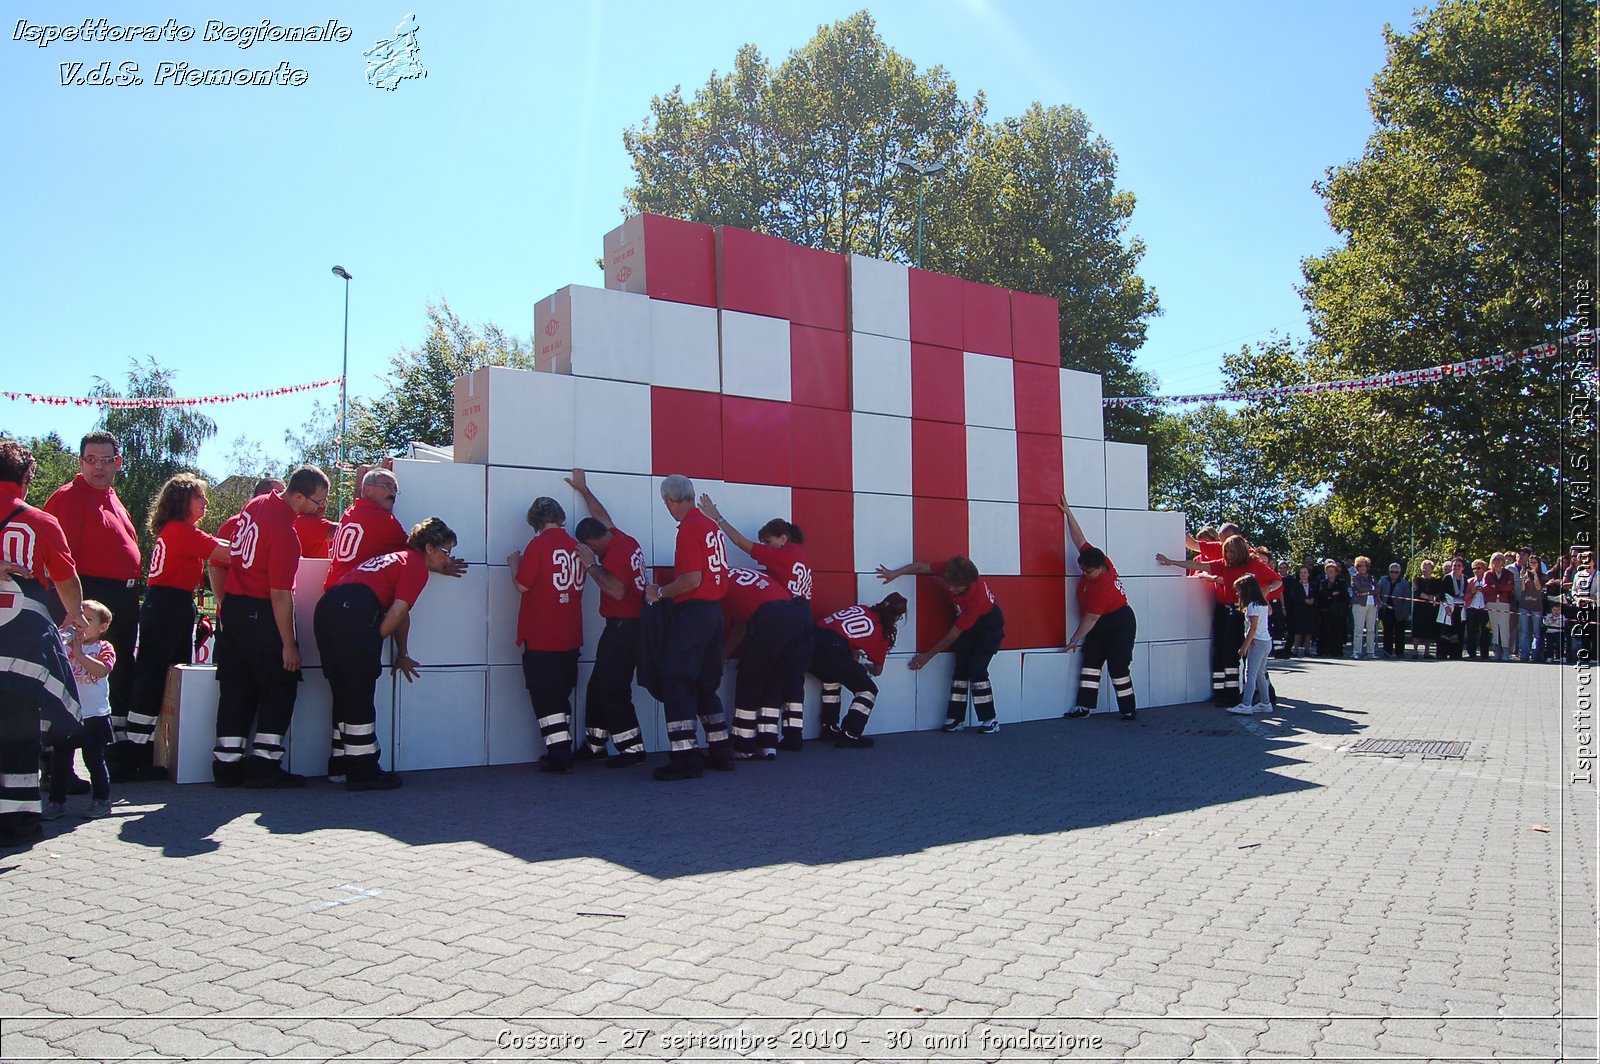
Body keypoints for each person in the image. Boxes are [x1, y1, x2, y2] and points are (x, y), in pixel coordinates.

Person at [316, 517, 459, 790]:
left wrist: (402, 653)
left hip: (328, 609)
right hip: (353, 613)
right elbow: (396, 612)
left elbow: (401, 615)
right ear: (429, 548)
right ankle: (363, 771)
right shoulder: (416, 567)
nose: (447, 559)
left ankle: (340, 765)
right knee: (359, 692)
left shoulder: (396, 558)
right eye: (445, 551)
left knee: (344, 691)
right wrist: (371, 641)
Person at [212, 466, 331, 788]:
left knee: (236, 686)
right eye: (317, 502)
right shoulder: (285, 536)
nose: (320, 508)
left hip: (235, 605)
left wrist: (226, 604)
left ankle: (226, 763)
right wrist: (289, 644)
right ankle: (265, 762)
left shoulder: (257, 503)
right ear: (296, 496)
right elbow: (280, 595)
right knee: (281, 682)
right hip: (260, 609)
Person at [0, 439, 88, 847]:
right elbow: (66, 582)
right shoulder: (40, 521)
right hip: (20, 644)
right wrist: (78, 617)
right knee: (19, 731)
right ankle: (17, 823)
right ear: (25, 478)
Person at [118, 474, 231, 781]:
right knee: (153, 675)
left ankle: (148, 749)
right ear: (183, 501)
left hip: (173, 605)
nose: (206, 503)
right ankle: (134, 751)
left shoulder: (180, 531)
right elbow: (226, 553)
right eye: (200, 497)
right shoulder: (180, 531)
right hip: (167, 605)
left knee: (167, 674)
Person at [44, 431, 141, 754]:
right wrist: (75, 613)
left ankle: (110, 753)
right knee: (75, 675)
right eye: (91, 460)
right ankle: (60, 766)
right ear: (80, 462)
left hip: (121, 599)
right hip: (89, 598)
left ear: (118, 463)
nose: (98, 467)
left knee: (115, 673)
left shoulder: (113, 496)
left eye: (106, 460)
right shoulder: (68, 498)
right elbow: (59, 563)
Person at [699, 494, 813, 741]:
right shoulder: (799, 555)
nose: (765, 546)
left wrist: (716, 518)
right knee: (791, 678)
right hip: (803, 617)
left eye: (768, 541)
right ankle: (792, 736)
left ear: (783, 539)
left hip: (781, 614)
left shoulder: (781, 554)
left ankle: (747, 739)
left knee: (759, 675)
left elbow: (741, 542)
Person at [645, 474, 736, 781]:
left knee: (677, 679)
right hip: (715, 613)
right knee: (705, 684)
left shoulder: (689, 528)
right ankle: (721, 750)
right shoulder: (710, 525)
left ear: (671, 500)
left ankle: (685, 758)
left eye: (666, 503)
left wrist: (657, 593)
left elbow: (690, 580)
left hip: (694, 613)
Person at [566, 470, 648, 767]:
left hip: (625, 627)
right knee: (599, 684)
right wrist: (584, 491)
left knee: (613, 686)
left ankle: (632, 749)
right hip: (624, 626)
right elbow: (603, 515)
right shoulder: (621, 538)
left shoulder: (612, 554)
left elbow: (616, 590)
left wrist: (590, 566)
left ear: (591, 542)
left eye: (589, 547)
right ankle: (595, 744)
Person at [876, 555, 1006, 733]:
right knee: (960, 670)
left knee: (977, 671)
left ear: (967, 584)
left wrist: (926, 656)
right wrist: (895, 573)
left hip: (988, 627)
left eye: (955, 586)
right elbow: (922, 567)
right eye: (949, 583)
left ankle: (990, 720)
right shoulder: (952, 568)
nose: (950, 588)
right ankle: (955, 719)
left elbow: (953, 635)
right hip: (968, 626)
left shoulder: (976, 601)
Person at [508, 497, 588, 775]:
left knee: (546, 696)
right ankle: (562, 747)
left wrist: (513, 565)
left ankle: (559, 754)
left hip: (543, 633)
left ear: (536, 521)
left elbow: (522, 585)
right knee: (561, 694)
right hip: (571, 632)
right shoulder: (577, 546)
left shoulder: (539, 544)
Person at [1157, 534, 1281, 703]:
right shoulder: (1223, 564)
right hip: (1227, 611)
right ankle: (1227, 694)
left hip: (1245, 613)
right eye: (1226, 551)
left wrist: (1266, 591)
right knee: (1225, 652)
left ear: (1239, 551)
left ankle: (1255, 696)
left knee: (1248, 656)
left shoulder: (1255, 563)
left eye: (1231, 552)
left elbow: (1277, 580)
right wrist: (1171, 561)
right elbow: (1198, 565)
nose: (1228, 555)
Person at [719, 567, 814, 758]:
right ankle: (768, 744)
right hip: (795, 615)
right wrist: (723, 655)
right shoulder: (737, 574)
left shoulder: (713, 582)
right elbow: (742, 624)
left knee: (749, 680)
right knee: (774, 681)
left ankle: (743, 745)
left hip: (769, 617)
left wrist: (717, 657)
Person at [1061, 494, 1138, 721]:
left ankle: (1128, 709)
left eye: (1088, 571)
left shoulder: (1102, 586)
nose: (1084, 574)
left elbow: (1091, 619)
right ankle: (1084, 707)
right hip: (1101, 622)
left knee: (1118, 667)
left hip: (1119, 622)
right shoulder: (1098, 559)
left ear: (1101, 568)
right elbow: (1079, 539)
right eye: (1083, 570)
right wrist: (1068, 512)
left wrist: (1074, 640)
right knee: (1091, 662)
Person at [45, 600, 116, 819]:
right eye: (79, 617)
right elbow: (48, 643)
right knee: (61, 760)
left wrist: (80, 654)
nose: (81, 624)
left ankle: (101, 799)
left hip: (95, 715)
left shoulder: (104, 647)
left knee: (94, 759)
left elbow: (102, 670)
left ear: (102, 628)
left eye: (89, 620)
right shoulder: (64, 642)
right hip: (68, 712)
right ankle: (56, 802)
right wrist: (67, 623)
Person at [811, 594, 908, 747]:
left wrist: (850, 652)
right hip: (834, 649)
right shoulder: (882, 632)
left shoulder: (861, 609)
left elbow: (839, 630)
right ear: (896, 616)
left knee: (832, 678)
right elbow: (877, 671)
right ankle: (850, 733)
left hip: (809, 642)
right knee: (868, 690)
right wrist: (864, 667)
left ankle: (829, 728)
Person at [1231, 574, 1274, 715]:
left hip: (1257, 643)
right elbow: (1269, 612)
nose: (1237, 593)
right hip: (1266, 641)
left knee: (1251, 673)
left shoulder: (1252, 605)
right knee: (1260, 673)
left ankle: (1246, 704)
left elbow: (1253, 627)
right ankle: (1265, 703)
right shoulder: (1262, 603)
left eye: (1239, 590)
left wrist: (1244, 646)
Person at [1481, 552, 1516, 661]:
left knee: (1504, 626)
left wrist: (1495, 586)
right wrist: (1499, 587)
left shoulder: (1509, 574)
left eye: (1500, 559)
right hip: (1491, 602)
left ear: (1503, 562)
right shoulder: (1488, 574)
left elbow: (1509, 587)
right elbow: (1485, 588)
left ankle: (1506, 651)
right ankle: (1496, 650)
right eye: (1495, 559)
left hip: (1504, 603)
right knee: (1494, 627)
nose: (1497, 561)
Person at [1436, 557, 1469, 660]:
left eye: (1459, 565)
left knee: (1458, 631)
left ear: (1462, 567)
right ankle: (1442, 653)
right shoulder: (1447, 578)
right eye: (1454, 565)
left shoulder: (1465, 579)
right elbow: (1441, 594)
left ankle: (1456, 653)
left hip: (1460, 608)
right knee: (1445, 631)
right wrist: (1446, 606)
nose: (1456, 567)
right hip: (1449, 607)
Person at [1377, 562, 1412, 659]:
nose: (1393, 574)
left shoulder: (1404, 583)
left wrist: (1405, 612)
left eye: (1396, 572)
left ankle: (1400, 652)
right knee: (1387, 632)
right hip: (1386, 610)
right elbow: (1378, 592)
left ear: (1399, 573)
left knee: (1399, 633)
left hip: (1399, 611)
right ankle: (1387, 652)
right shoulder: (1383, 580)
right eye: (1391, 572)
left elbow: (1407, 599)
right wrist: (1379, 603)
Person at [1319, 560, 1351, 659]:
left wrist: (1332, 595)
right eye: (1328, 571)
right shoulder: (1323, 582)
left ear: (1336, 572)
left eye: (1332, 571)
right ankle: (1327, 651)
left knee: (1338, 631)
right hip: (1327, 610)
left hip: (1338, 611)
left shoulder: (1341, 582)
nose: (1330, 573)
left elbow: (1345, 596)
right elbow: (1322, 595)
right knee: (1327, 631)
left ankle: (1337, 651)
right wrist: (1331, 595)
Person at [1285, 565, 1319, 657]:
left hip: (1310, 611)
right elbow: (1293, 597)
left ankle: (1307, 650)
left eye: (1305, 572)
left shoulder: (1314, 585)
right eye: (1301, 573)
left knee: (1309, 631)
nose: (1303, 574)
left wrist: (1313, 600)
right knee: (1298, 631)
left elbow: (1317, 596)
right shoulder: (1295, 585)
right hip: (1299, 611)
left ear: (1308, 574)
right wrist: (1304, 600)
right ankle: (1295, 650)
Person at [1412, 559, 1443, 659]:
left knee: (1428, 630)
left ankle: (1426, 652)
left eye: (1427, 567)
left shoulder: (1436, 581)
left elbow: (1438, 593)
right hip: (1419, 609)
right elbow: (1418, 593)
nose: (1425, 569)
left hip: (1431, 609)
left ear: (1432, 569)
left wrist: (1435, 598)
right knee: (1417, 630)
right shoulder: (1417, 580)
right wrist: (1430, 597)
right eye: (1423, 567)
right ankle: (1415, 652)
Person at [1516, 559, 1545, 663]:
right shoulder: (1525, 574)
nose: (1532, 564)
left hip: (1536, 606)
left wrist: (1535, 575)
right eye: (1530, 563)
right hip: (1524, 605)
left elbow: (1538, 588)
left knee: (1536, 632)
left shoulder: (1542, 575)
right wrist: (1523, 579)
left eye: (1534, 563)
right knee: (1524, 631)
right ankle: (1524, 654)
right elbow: (1522, 589)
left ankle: (1535, 654)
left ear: (1538, 564)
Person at [1349, 557, 1378, 659]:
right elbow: (1358, 588)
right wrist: (1370, 589)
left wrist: (1368, 591)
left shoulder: (1372, 578)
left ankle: (1371, 652)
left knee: (1371, 629)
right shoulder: (1354, 577)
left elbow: (1378, 589)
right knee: (1359, 629)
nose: (1362, 568)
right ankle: (1357, 651)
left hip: (1372, 604)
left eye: (1364, 565)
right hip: (1359, 604)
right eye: (1359, 566)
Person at [1464, 558, 1492, 659]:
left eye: (1478, 568)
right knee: (1471, 631)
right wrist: (1472, 591)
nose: (1476, 570)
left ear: (1484, 569)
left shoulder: (1488, 580)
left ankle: (1485, 653)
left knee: (1486, 631)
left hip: (1485, 609)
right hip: (1473, 607)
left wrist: (1484, 590)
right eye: (1474, 568)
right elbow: (1465, 597)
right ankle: (1471, 653)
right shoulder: (1470, 581)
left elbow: (1491, 592)